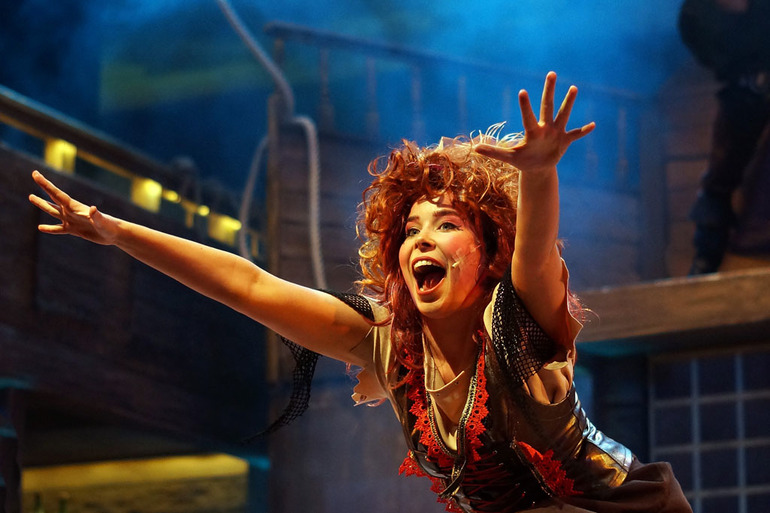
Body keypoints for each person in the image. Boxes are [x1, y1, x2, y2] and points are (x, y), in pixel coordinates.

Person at [28, 72, 691, 513]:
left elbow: (537, 254)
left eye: (447, 224)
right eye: (410, 230)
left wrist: (540, 175)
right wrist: (118, 233)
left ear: (489, 250)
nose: (422, 240)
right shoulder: (388, 345)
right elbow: (249, 284)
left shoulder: (517, 324)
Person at [678, 0, 770, 274]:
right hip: (744, 93)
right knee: (719, 177)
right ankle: (707, 258)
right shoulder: (695, 15)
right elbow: (707, 53)